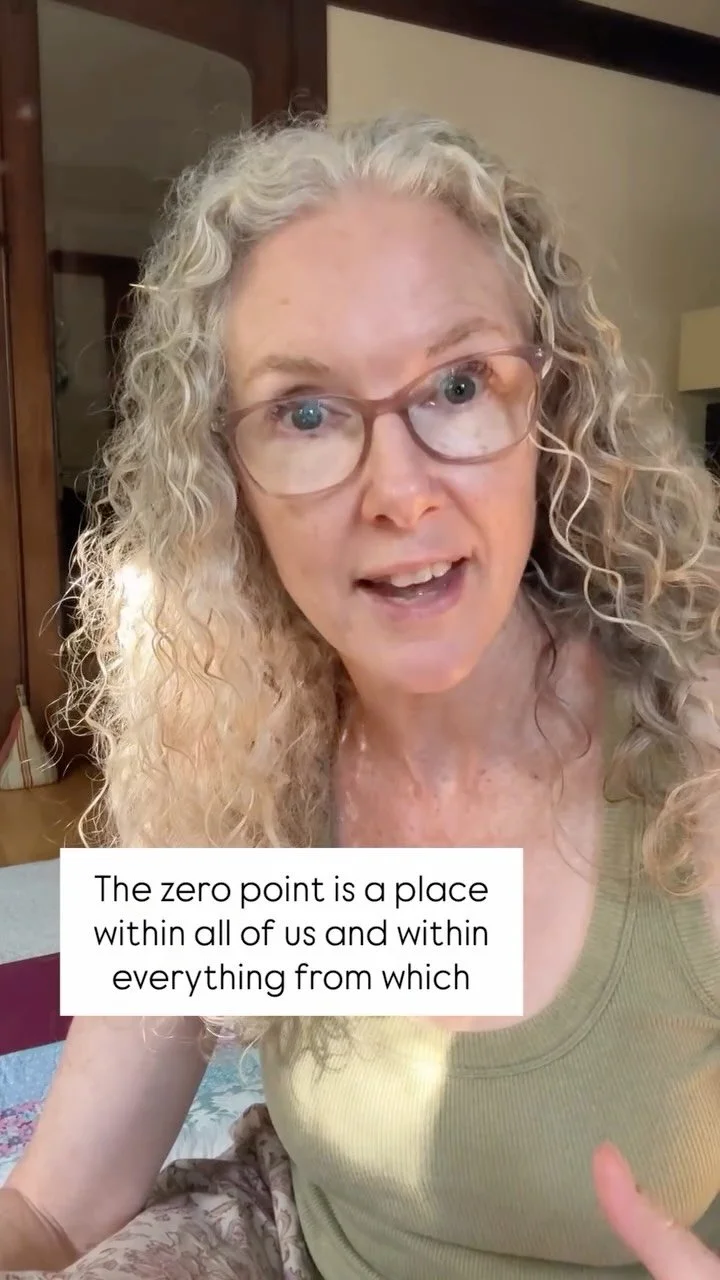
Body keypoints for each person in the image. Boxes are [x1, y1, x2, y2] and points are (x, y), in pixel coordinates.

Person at [0, 113, 718, 1279]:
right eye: (306, 410)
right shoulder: (233, 761)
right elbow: (56, 1205)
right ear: (229, 478)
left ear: (550, 414)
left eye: (458, 384)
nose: (399, 490)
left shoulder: (696, 753)